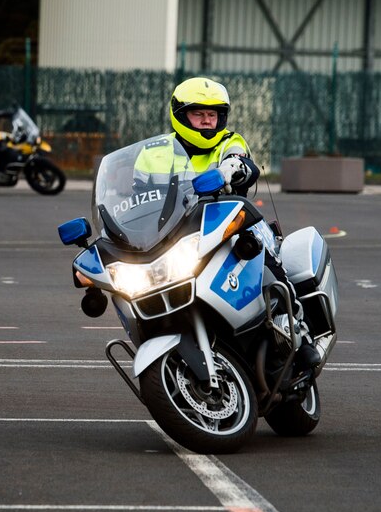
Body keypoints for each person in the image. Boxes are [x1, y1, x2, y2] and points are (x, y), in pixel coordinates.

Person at [136, 77, 319, 371]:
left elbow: (239, 163)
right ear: (181, 115)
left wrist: (228, 172)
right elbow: (135, 198)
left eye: (213, 115)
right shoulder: (152, 153)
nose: (207, 122)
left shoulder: (229, 142)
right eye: (199, 114)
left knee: (267, 263)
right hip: (175, 234)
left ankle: (301, 335)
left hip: (232, 226)